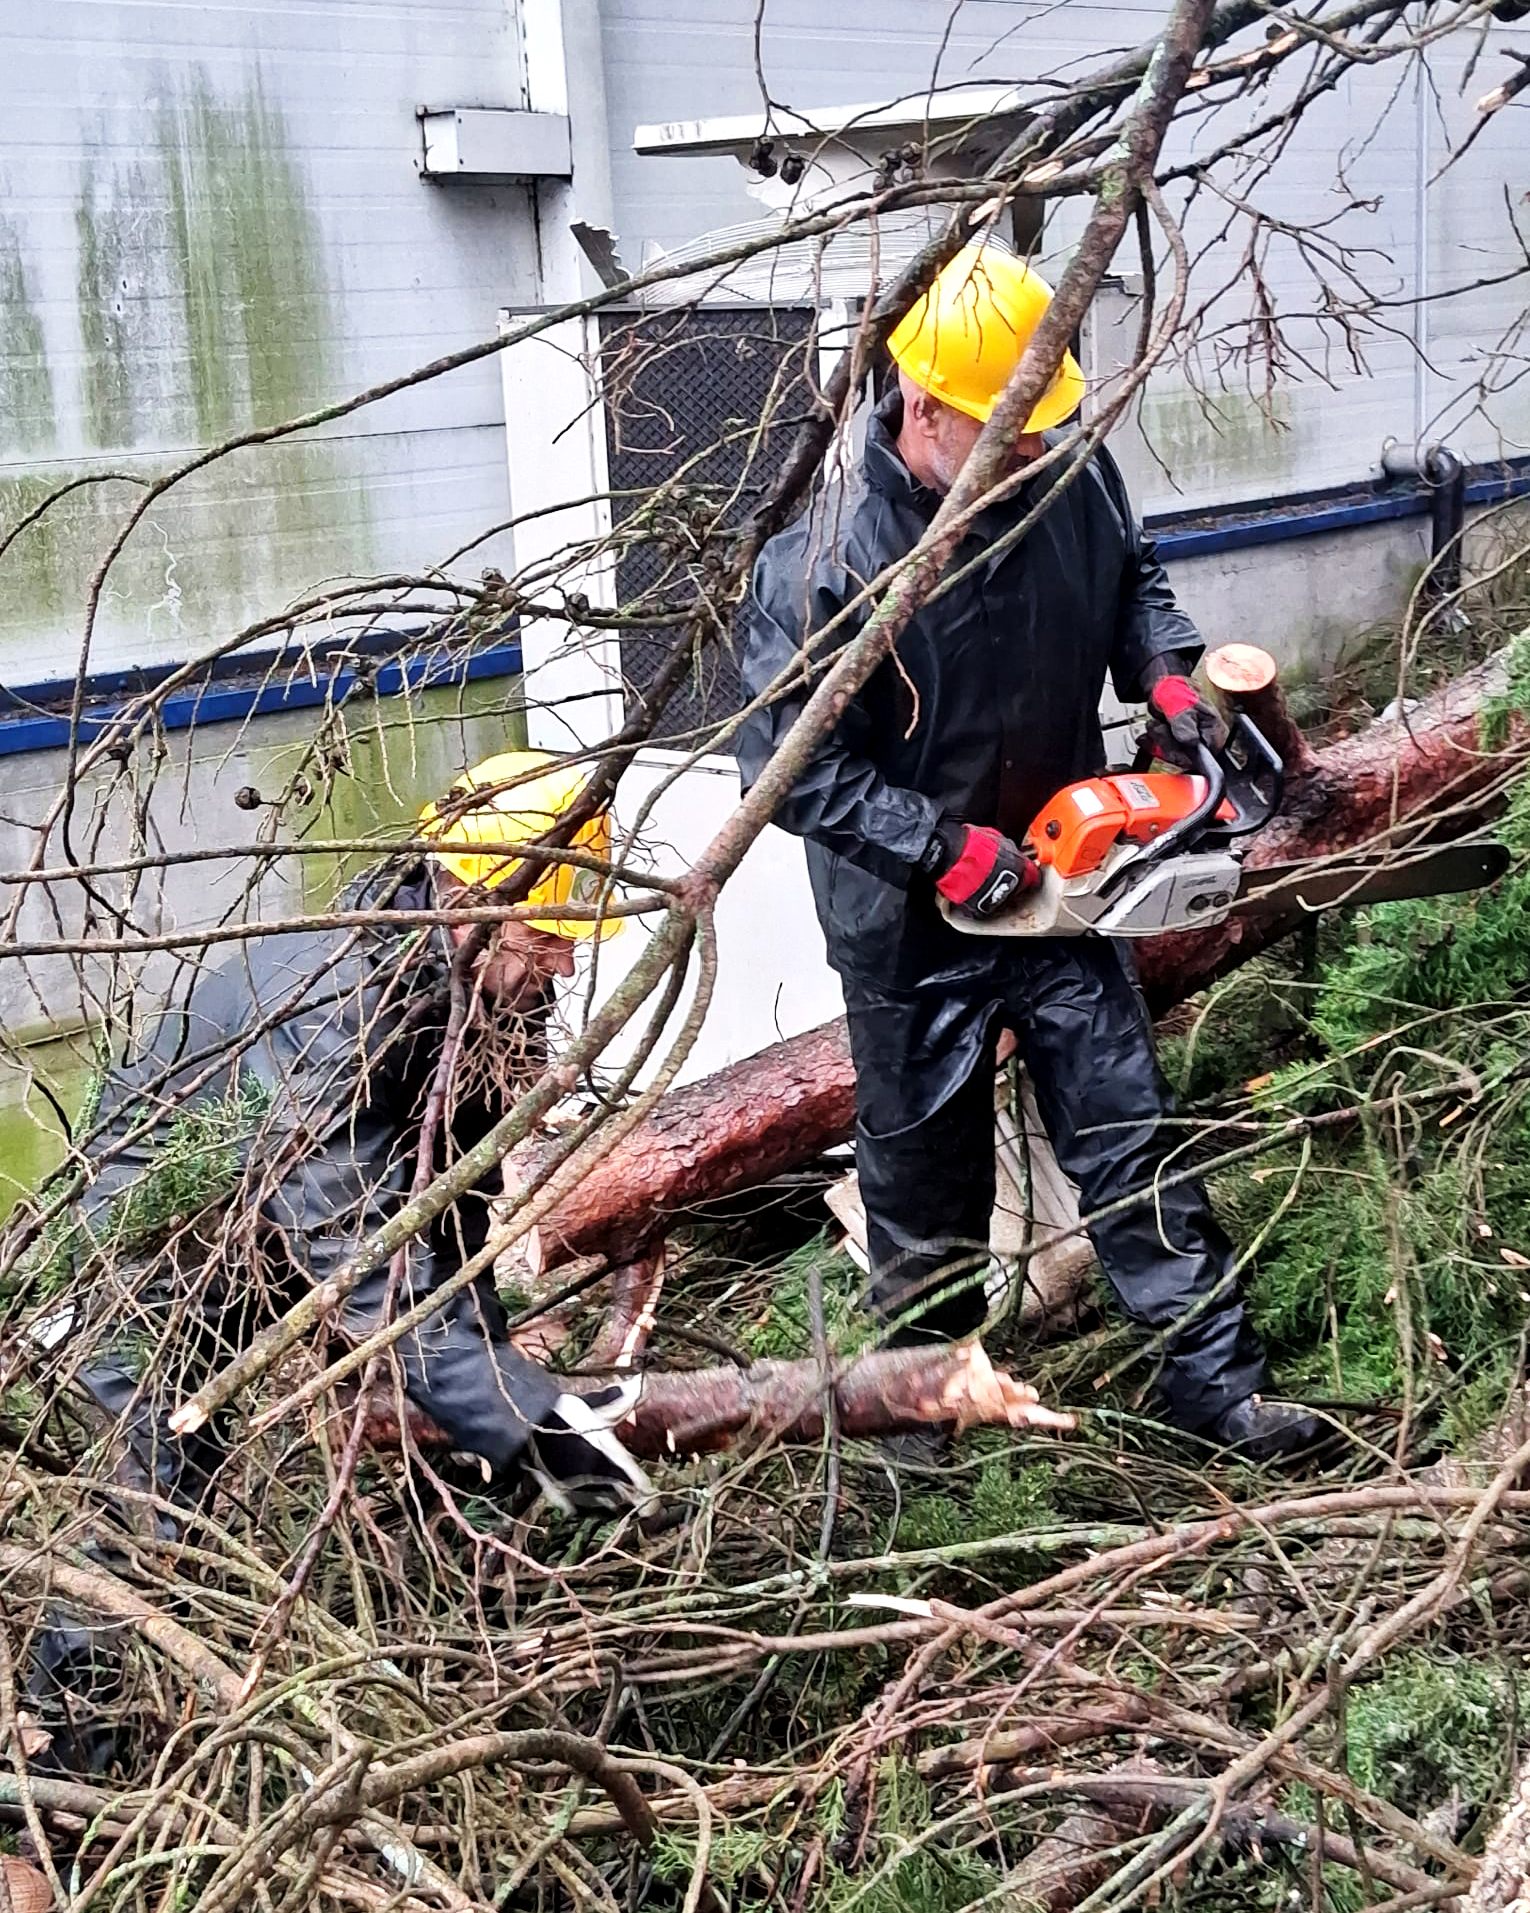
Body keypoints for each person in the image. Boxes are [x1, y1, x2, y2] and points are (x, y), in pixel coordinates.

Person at [737, 243, 1319, 1463]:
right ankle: (920, 1450)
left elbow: (1134, 584)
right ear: (935, 409)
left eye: (1045, 429)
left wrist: (1167, 678)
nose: (1034, 454)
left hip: (1065, 885)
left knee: (1130, 1138)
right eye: (1011, 434)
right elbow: (786, 769)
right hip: (911, 922)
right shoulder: (824, 558)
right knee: (923, 1201)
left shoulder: (1064, 467)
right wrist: (938, 847)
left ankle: (1221, 1400)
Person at [52, 749, 648, 1527]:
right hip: (147, 1251)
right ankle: (78, 1647)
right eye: (549, 936)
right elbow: (352, 1244)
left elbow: (451, 1201)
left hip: (263, 1225)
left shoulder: (479, 994)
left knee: (429, 1385)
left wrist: (503, 1391)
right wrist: (524, 1422)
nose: (568, 964)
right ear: (474, 901)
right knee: (156, 1518)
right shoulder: (340, 1005)